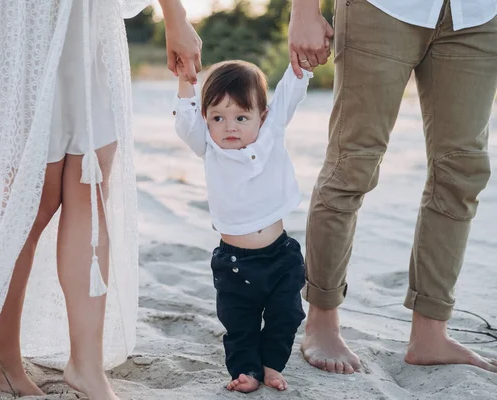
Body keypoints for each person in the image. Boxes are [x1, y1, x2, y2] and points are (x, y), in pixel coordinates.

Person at [0, 0, 202, 398]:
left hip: (87, 12)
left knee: (90, 179)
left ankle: (86, 365)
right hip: (26, 14)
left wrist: (175, 14)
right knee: (32, 190)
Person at [290, 0, 497, 374]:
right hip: (381, 9)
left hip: (478, 14)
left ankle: (431, 331)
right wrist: (304, 10)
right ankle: (321, 319)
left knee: (462, 172)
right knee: (352, 164)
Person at [172, 59, 320, 393]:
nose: (229, 127)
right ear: (206, 119)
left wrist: (303, 64)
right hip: (233, 263)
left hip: (280, 256)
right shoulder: (208, 146)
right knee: (239, 323)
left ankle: (271, 364)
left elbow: (289, 93)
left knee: (287, 315)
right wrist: (185, 80)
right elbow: (185, 121)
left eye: (241, 116)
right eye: (217, 118)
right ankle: (247, 371)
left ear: (261, 117)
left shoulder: (271, 131)